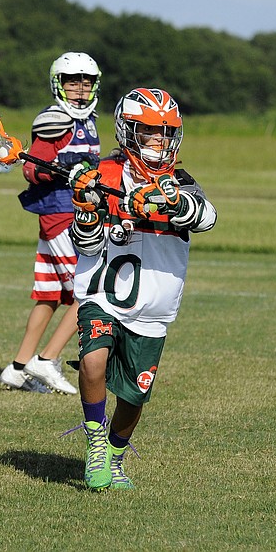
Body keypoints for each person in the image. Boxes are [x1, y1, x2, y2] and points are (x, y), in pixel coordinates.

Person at [66, 87, 217, 490]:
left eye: (167, 133)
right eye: (149, 131)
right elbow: (85, 244)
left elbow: (205, 216)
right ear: (127, 130)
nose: (160, 140)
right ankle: (95, 442)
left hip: (154, 303)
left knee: (134, 396)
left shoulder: (179, 180)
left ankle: (115, 456)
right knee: (93, 361)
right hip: (103, 293)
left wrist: (170, 203)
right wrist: (86, 209)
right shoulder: (103, 176)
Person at [0, 52, 102, 395]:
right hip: (60, 214)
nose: (80, 89)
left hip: (72, 211)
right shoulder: (54, 119)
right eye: (73, 81)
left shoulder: (89, 118)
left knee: (51, 295)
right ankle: (47, 359)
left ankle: (17, 368)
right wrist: (54, 171)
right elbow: (32, 170)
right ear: (59, 83)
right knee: (89, 293)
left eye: (85, 82)